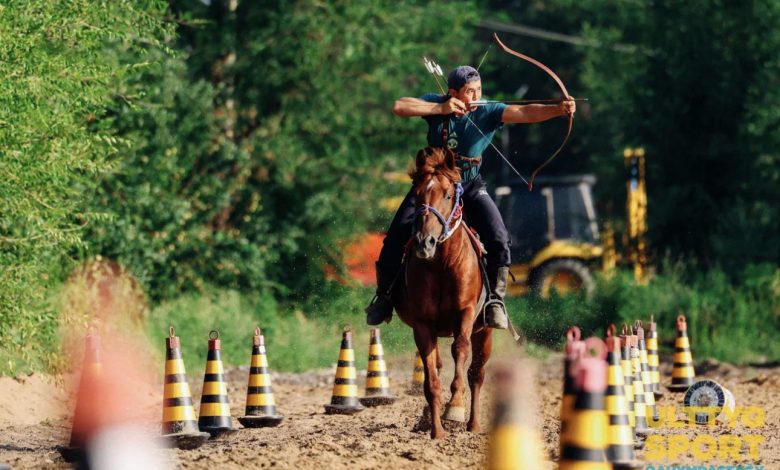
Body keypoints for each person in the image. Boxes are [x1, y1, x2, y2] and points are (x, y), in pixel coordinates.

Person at [365, 65, 575, 328]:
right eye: (469, 92)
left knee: (498, 236)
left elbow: (524, 111)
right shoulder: (437, 103)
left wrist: (557, 109)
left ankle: (495, 302)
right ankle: (384, 298)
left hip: (470, 185)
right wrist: (440, 109)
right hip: (435, 186)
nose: (476, 96)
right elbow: (400, 106)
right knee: (396, 235)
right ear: (454, 93)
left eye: (479, 90)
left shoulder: (488, 110)